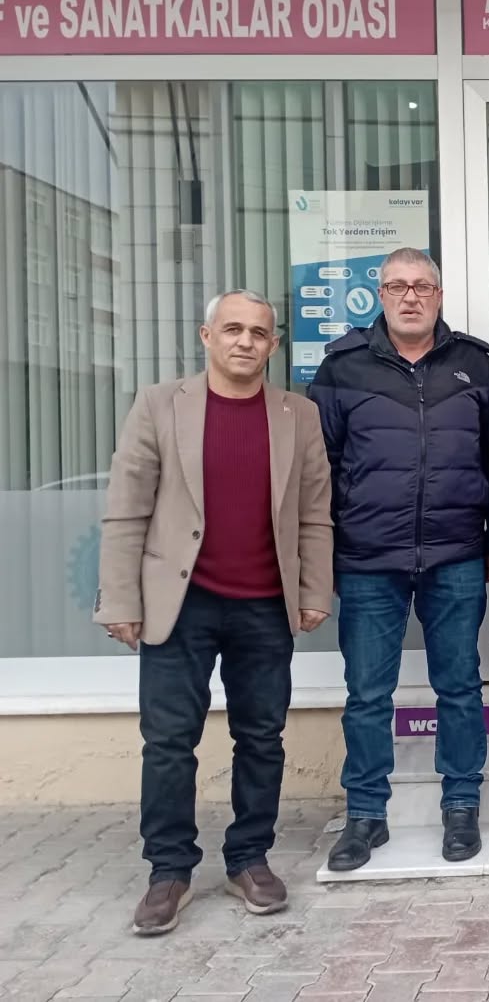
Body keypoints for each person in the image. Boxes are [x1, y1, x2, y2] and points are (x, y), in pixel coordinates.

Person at [95, 290, 333, 935]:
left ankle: (248, 858)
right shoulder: (159, 405)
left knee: (261, 738)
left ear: (273, 345)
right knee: (169, 741)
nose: (245, 341)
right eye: (232, 329)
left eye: (258, 332)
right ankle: (168, 870)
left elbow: (315, 511)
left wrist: (314, 590)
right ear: (207, 336)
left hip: (263, 604)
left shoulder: (299, 415)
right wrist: (120, 598)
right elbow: (127, 508)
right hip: (181, 605)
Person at [310, 248, 489, 871]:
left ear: (439, 296)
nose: (410, 297)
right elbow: (319, 468)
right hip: (368, 557)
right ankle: (366, 815)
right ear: (381, 295)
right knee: (368, 693)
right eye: (398, 286)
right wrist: (323, 552)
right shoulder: (342, 367)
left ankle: (461, 806)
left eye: (422, 286)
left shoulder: (474, 364)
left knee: (460, 686)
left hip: (455, 554)